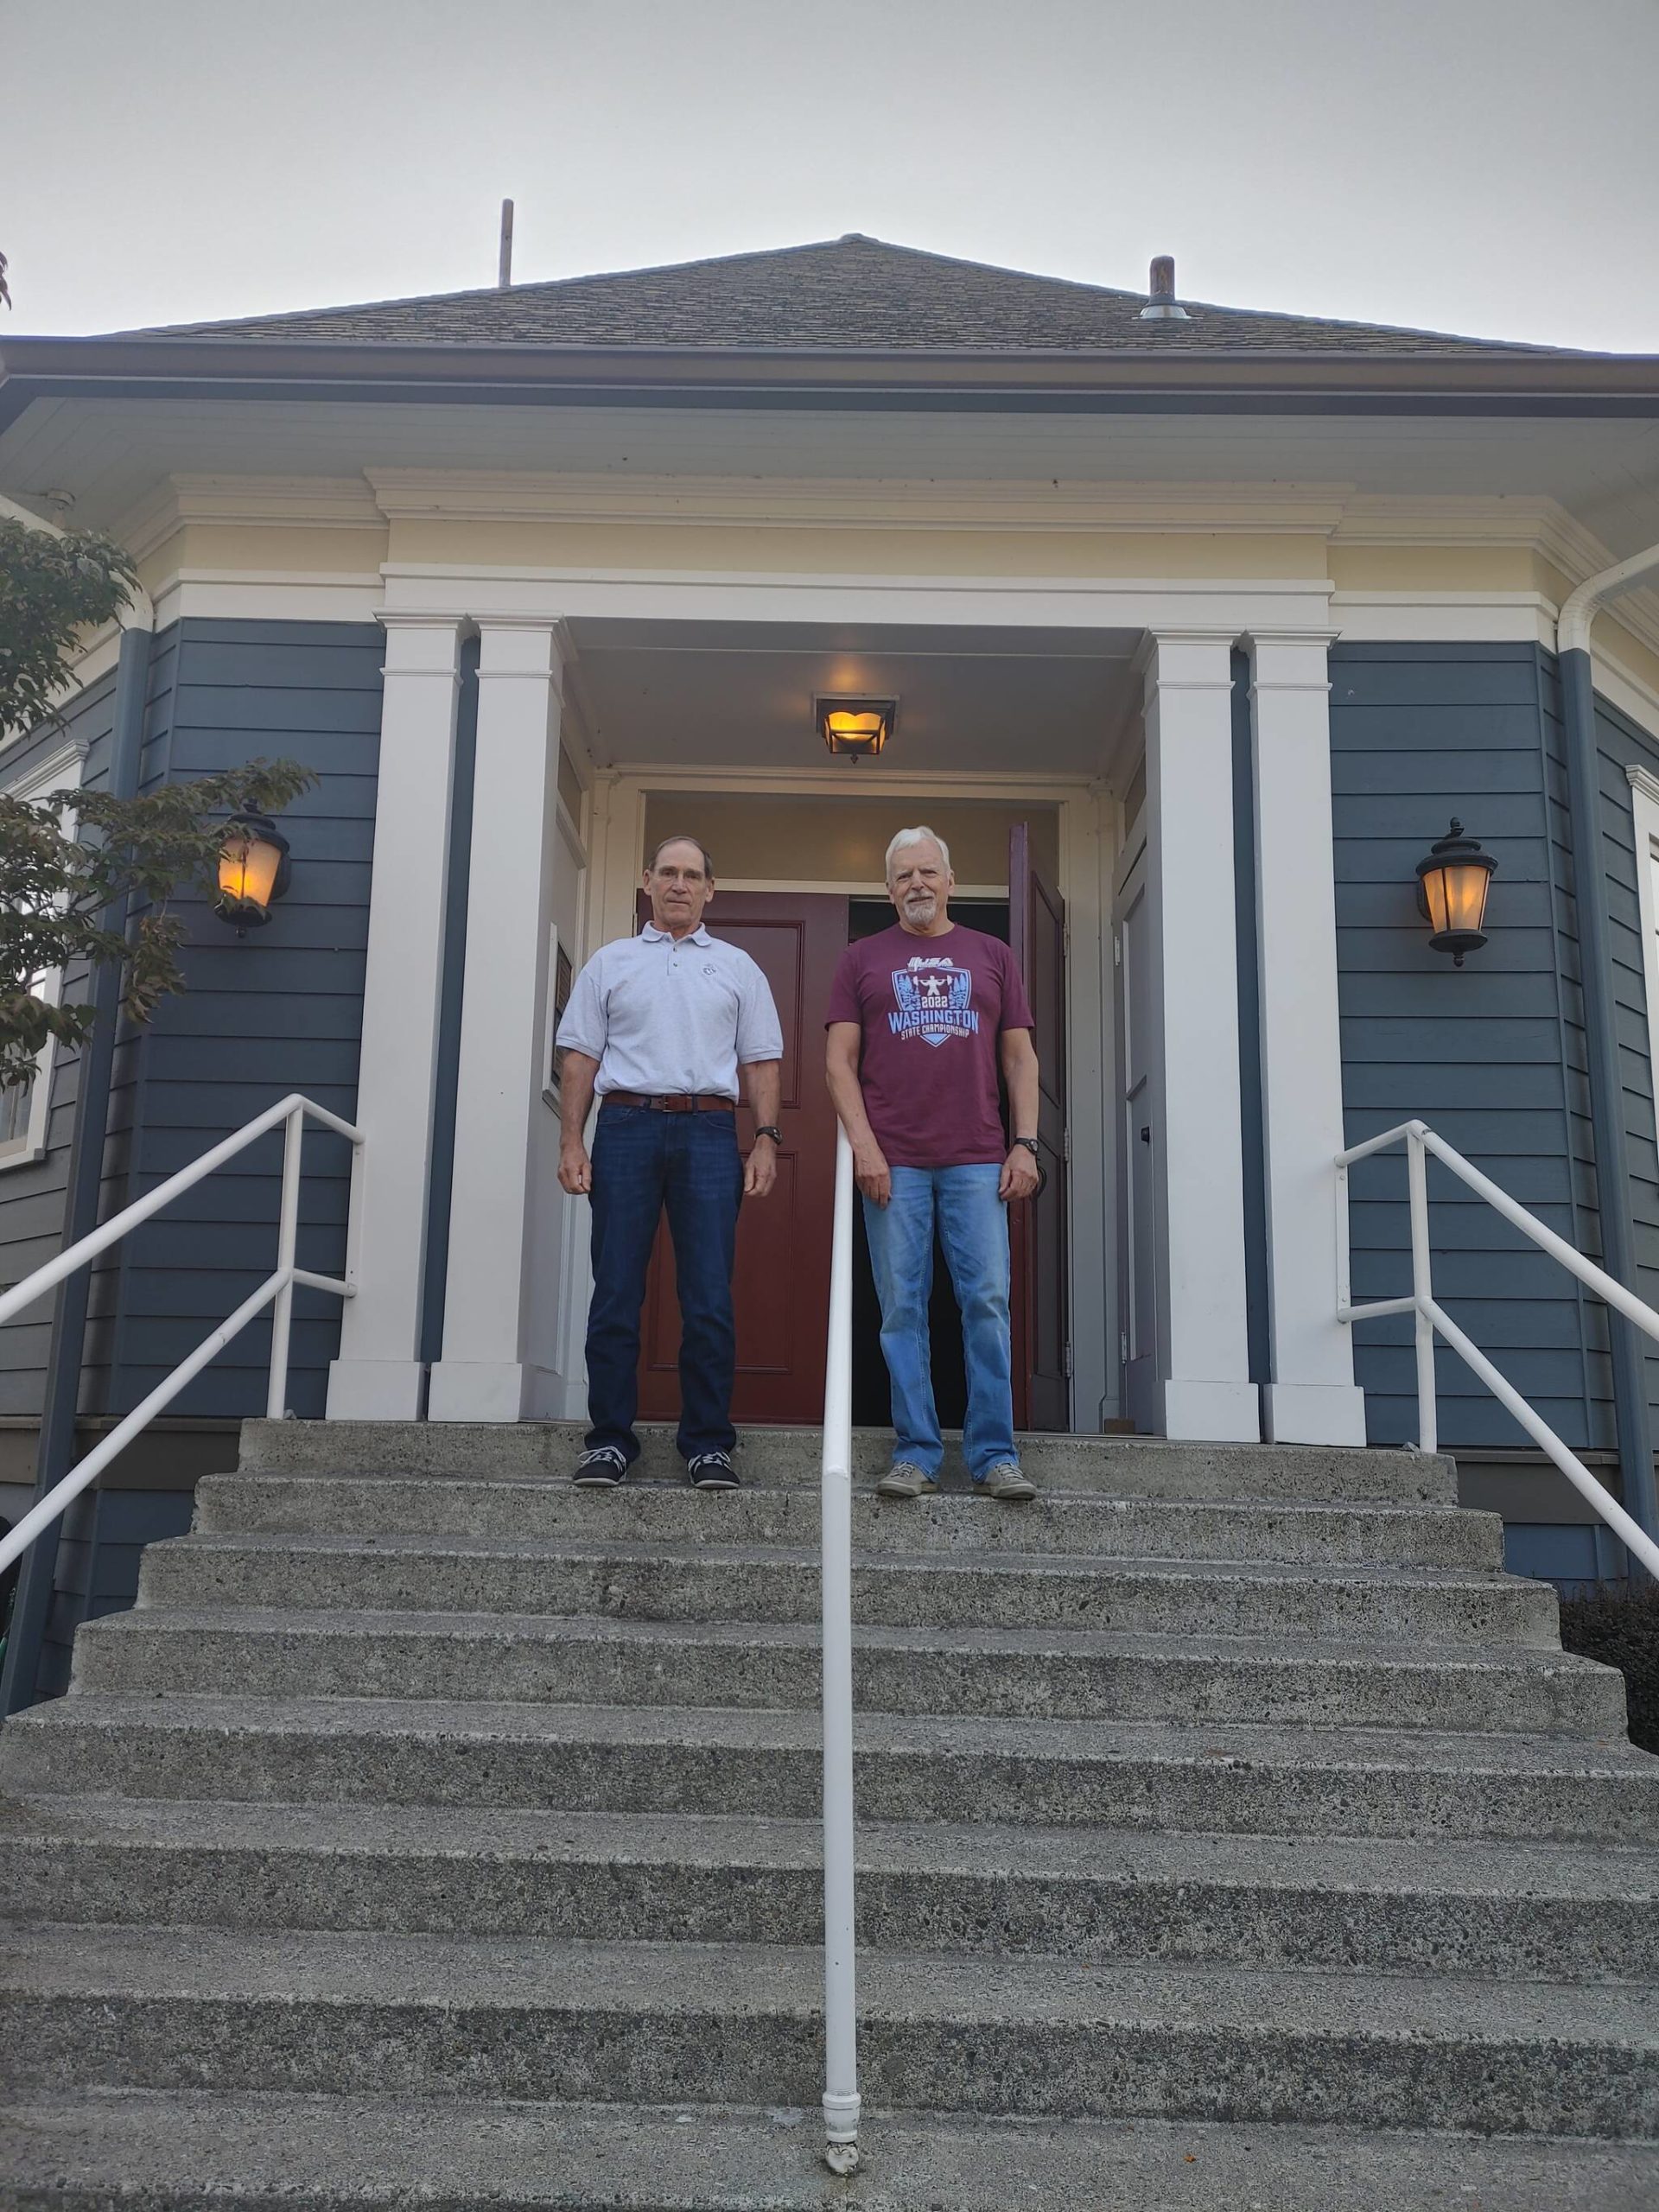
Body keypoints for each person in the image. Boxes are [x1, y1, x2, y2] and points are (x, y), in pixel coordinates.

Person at [556, 835, 784, 1490]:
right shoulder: (611, 962)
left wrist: (765, 1137)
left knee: (708, 1296)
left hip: (709, 1131)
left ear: (711, 889)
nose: (679, 884)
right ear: (647, 881)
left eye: (692, 876)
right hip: (624, 1127)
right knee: (616, 1292)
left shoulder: (738, 967)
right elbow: (579, 1058)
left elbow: (762, 1060)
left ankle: (708, 1444)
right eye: (667, 873)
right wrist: (573, 1140)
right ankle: (608, 1441)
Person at [825, 826, 1041, 1502]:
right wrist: (864, 1146)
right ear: (888, 889)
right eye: (902, 876)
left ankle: (993, 1456)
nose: (915, 884)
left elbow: (1019, 1057)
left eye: (927, 872)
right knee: (901, 1310)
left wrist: (1025, 1141)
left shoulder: (992, 954)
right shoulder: (861, 958)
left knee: (986, 1303)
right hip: (896, 1161)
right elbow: (838, 1063)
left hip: (979, 1157)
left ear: (951, 880)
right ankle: (916, 1452)